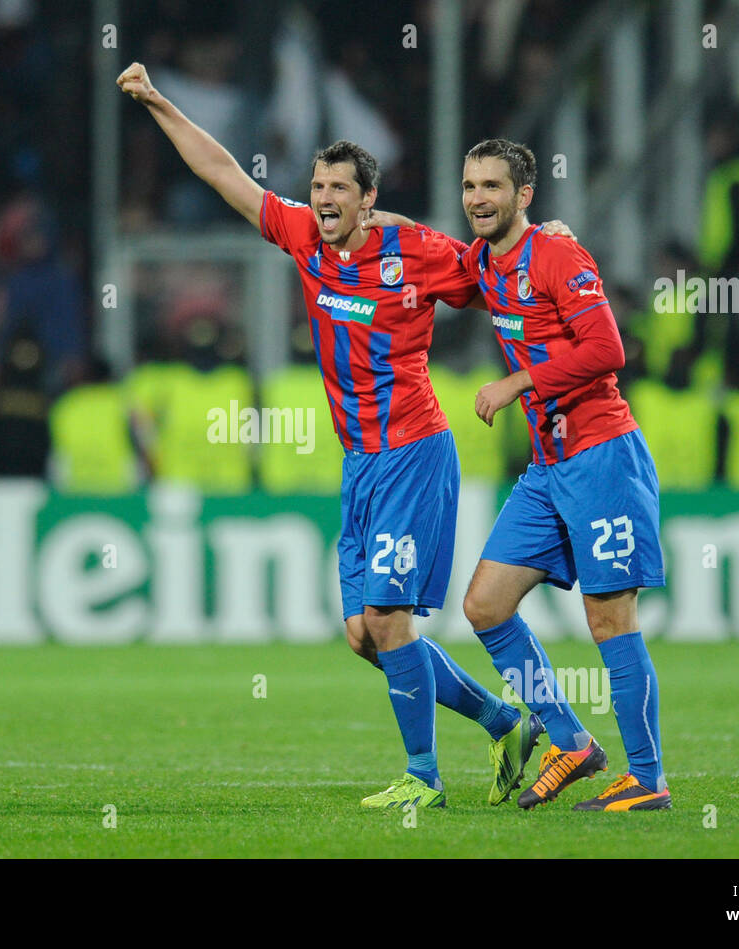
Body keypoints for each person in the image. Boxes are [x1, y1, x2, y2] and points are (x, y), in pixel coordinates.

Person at [118, 61, 551, 809]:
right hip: (361, 463)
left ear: (368, 199)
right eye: (317, 189)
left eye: (338, 191)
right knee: (363, 633)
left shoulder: (417, 254)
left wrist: (548, 241)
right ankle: (503, 720)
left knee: (386, 619)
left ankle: (423, 779)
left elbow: (503, 275)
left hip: (414, 452)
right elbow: (223, 172)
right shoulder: (307, 242)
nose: (322, 202)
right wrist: (160, 103)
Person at [372, 140, 671, 811]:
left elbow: (608, 347)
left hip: (601, 456)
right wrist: (355, 214)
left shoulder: (559, 255)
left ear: (525, 196)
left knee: (609, 617)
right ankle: (570, 740)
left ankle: (649, 779)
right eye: (470, 184)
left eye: (492, 186)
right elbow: (413, 236)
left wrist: (520, 380)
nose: (478, 198)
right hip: (548, 466)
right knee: (485, 605)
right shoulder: (481, 262)